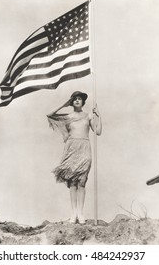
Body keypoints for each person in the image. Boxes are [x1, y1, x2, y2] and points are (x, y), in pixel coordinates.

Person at [47, 91, 102, 224]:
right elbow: (50, 115)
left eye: (79, 99)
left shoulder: (88, 116)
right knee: (72, 182)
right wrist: (64, 104)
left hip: (84, 147)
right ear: (72, 102)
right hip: (71, 149)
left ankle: (80, 213)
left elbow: (98, 131)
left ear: (83, 102)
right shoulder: (68, 116)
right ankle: (73, 214)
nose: (77, 101)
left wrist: (99, 116)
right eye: (75, 99)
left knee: (82, 181)